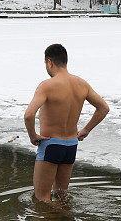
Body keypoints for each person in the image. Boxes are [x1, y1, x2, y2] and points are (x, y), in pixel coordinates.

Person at [23, 44, 109, 203]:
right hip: (71, 145)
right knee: (62, 195)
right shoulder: (82, 84)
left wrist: (32, 135)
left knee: (42, 199)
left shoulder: (47, 86)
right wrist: (86, 129)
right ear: (65, 61)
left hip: (50, 145)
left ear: (49, 62)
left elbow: (29, 115)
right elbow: (103, 108)